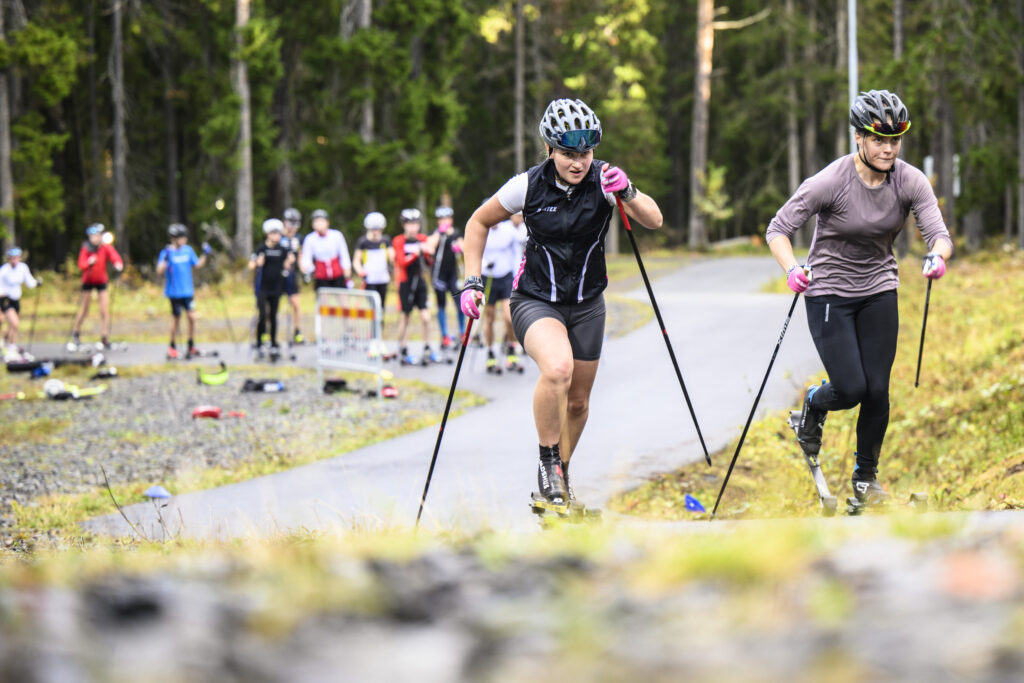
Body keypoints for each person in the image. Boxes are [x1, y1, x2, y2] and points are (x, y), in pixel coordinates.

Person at [461, 97, 663, 507]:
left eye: (586, 153)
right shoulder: (528, 185)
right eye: (569, 154)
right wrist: (472, 280)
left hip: (589, 304)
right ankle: (547, 462)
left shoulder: (604, 182)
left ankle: (560, 483)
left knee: (578, 401)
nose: (579, 163)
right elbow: (477, 222)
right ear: (550, 149)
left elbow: (654, 220)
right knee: (557, 370)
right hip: (536, 299)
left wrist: (629, 190)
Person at [766, 89, 953, 507]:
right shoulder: (831, 181)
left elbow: (938, 234)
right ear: (858, 138)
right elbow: (777, 229)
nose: (888, 149)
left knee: (878, 390)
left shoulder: (909, 180)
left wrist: (936, 257)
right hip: (829, 290)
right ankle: (814, 405)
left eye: (895, 140)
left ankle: (866, 478)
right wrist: (793, 268)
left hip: (879, 289)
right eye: (878, 139)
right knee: (850, 388)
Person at [156, 223, 211, 359]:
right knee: (176, 318)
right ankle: (172, 347)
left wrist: (205, 254)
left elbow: (197, 264)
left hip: (188, 292)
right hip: (174, 292)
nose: (184, 240)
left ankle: (191, 345)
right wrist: (166, 260)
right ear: (174, 238)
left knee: (192, 318)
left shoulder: (188, 250)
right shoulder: (166, 252)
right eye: (182, 237)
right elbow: (159, 271)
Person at [392, 208, 436, 364]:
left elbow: (429, 262)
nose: (413, 228)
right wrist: (417, 252)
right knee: (405, 316)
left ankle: (427, 347)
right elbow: (401, 261)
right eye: (410, 224)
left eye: (415, 224)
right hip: (406, 282)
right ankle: (402, 348)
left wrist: (429, 252)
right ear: (404, 225)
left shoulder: (422, 238)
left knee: (426, 316)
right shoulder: (399, 241)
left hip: (420, 281)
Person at [70, 223, 123, 350]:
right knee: (84, 309)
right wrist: (89, 262)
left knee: (104, 310)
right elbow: (81, 264)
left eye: (97, 236)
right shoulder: (86, 248)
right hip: (88, 280)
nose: (95, 238)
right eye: (93, 236)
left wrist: (118, 264)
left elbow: (115, 257)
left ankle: (105, 337)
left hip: (101, 280)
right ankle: (76, 333)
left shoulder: (105, 247)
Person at [480, 215, 521, 373]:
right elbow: (476, 252)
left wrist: (517, 273)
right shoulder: (483, 230)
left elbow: (517, 252)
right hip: (488, 276)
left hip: (505, 277)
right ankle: (490, 352)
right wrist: (484, 264)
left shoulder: (508, 230)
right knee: (489, 318)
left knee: (509, 318)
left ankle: (511, 349)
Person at [249, 218, 295, 359]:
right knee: (263, 315)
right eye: (274, 233)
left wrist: (289, 261)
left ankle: (274, 343)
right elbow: (251, 265)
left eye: (278, 233)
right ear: (268, 234)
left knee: (274, 315)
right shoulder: (261, 248)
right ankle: (259, 342)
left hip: (277, 287)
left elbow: (288, 265)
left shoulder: (283, 249)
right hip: (262, 287)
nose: (277, 236)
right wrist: (257, 263)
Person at [426, 206, 465, 350]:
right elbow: (429, 247)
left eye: (447, 218)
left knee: (459, 303)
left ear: (451, 219)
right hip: (439, 275)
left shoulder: (456, 233)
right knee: (441, 304)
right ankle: (444, 335)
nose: (444, 221)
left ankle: (462, 332)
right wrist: (440, 234)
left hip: (453, 274)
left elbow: (463, 246)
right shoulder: (434, 233)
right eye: (442, 219)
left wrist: (458, 246)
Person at [352, 211, 394, 324]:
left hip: (383, 279)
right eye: (373, 229)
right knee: (373, 306)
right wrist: (361, 272)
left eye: (378, 229)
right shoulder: (363, 242)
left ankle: (379, 331)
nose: (376, 232)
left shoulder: (385, 241)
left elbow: (392, 257)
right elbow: (356, 261)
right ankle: (374, 331)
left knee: (381, 306)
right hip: (370, 280)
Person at [0, 247, 40, 360]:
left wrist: (37, 283)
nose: (15, 260)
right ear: (9, 259)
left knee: (11, 326)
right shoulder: (4, 270)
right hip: (5, 299)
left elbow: (29, 281)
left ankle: (5, 343)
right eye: (12, 258)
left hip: (16, 299)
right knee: (15, 323)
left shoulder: (23, 268)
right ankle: (12, 347)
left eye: (17, 258)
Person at [300, 208, 351, 290]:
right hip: (320, 275)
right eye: (316, 221)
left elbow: (344, 254)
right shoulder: (310, 239)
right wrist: (309, 270)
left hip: (337, 273)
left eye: (321, 221)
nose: (319, 224)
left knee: (341, 298)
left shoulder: (336, 235)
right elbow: (306, 258)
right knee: (323, 300)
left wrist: (347, 269)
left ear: (327, 222)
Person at [281, 207, 305, 343]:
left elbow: (301, 257)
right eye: (290, 224)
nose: (292, 228)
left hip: (292, 274)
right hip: (279, 274)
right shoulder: (278, 236)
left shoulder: (298, 239)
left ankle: (297, 332)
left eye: (295, 224)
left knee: (296, 304)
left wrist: (304, 271)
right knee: (271, 305)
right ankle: (267, 332)